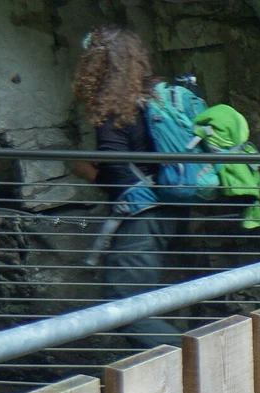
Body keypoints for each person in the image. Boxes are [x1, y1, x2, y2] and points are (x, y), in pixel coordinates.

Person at [70, 26, 181, 346]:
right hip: (170, 211)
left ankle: (203, 367)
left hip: (142, 215)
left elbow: (118, 174)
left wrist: (86, 171)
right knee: (136, 303)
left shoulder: (116, 110)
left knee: (124, 307)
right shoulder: (156, 98)